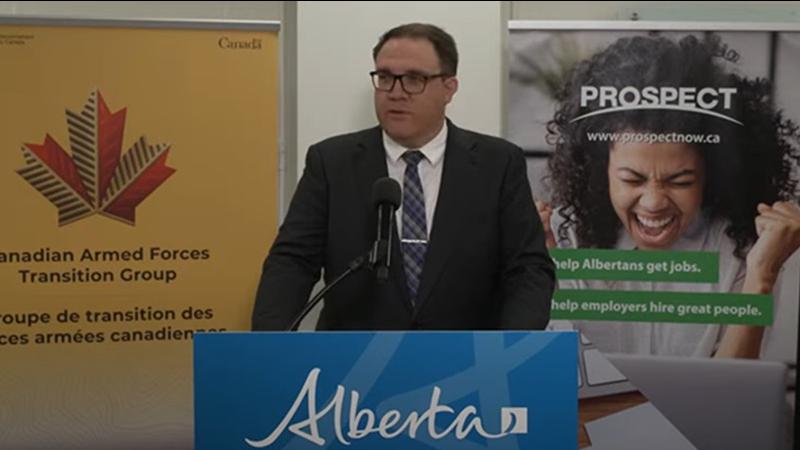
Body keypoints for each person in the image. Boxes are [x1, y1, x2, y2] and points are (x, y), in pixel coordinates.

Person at [252, 23, 555, 331]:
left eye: (413, 79)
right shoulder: (331, 163)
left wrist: (513, 349)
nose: (396, 93)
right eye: (385, 78)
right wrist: (268, 346)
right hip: (353, 356)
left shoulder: (498, 164)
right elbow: (292, 263)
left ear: (449, 88)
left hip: (468, 355)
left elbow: (528, 268)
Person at [536, 33, 800, 358]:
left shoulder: (744, 247)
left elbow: (730, 384)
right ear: (601, 172)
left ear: (710, 175)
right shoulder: (562, 238)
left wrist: (762, 276)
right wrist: (540, 278)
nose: (654, 202)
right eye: (631, 179)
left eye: (680, 181)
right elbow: (551, 372)